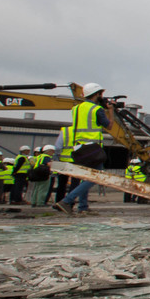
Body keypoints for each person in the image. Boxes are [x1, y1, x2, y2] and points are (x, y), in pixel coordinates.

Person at [54, 83, 113, 216]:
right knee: (97, 176)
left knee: (86, 176)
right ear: (97, 94)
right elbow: (109, 126)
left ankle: (83, 206)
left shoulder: (76, 109)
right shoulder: (96, 109)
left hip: (79, 147)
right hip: (92, 148)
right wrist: (111, 111)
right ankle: (67, 201)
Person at [52, 125, 75, 203]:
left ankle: (59, 201)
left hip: (63, 161)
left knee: (62, 184)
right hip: (77, 161)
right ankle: (69, 202)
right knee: (75, 184)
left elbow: (58, 147)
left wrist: (57, 157)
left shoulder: (66, 130)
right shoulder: (83, 131)